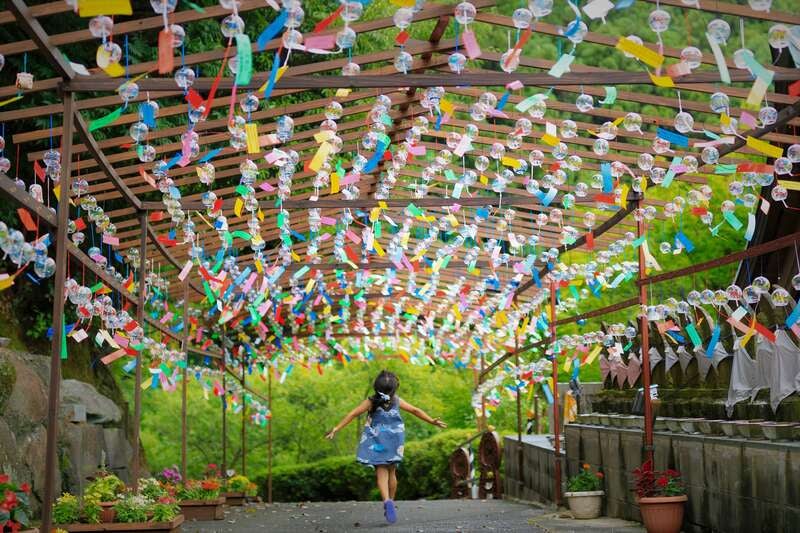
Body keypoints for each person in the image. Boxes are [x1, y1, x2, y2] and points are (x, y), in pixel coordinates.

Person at [325, 370, 447, 524]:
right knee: (392, 472)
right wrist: (432, 421)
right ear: (395, 388)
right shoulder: (397, 400)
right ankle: (392, 501)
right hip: (395, 440)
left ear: (376, 387)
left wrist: (336, 428)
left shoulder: (370, 402)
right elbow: (415, 410)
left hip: (377, 441)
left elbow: (353, 414)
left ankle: (386, 501)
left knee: (381, 472)